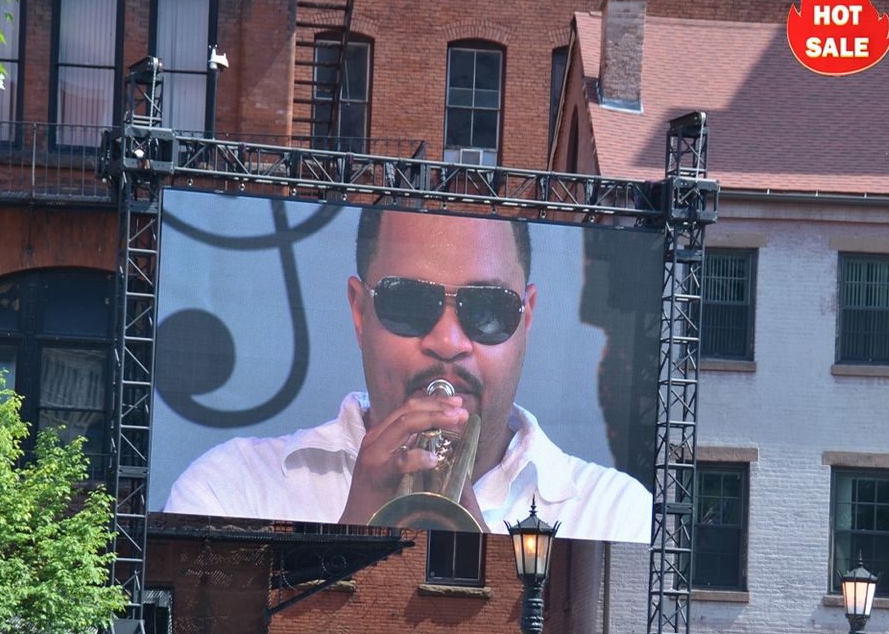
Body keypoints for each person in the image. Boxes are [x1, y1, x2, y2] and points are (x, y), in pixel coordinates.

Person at [163, 208, 652, 542]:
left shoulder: (616, 514)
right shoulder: (229, 491)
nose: (448, 342)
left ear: (526, 318)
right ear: (360, 312)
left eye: (487, 309)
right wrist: (343, 542)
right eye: (409, 302)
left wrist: (490, 571)